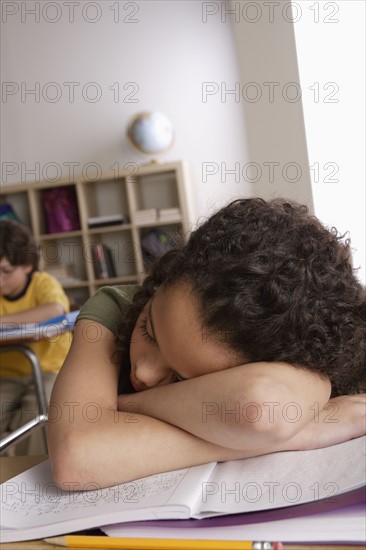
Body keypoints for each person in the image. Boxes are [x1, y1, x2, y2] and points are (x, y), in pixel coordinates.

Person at [48, 198, 366, 490]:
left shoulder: (303, 358)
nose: (144, 373)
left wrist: (125, 407)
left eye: (183, 379)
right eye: (149, 330)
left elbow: (261, 411)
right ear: (166, 277)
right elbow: (77, 459)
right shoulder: (113, 311)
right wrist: (298, 434)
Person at [0, 220, 71, 454]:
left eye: (6, 272)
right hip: (7, 376)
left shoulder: (43, 283)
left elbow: (55, 311)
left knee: (34, 413)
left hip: (49, 371)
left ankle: (24, 471)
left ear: (28, 265)